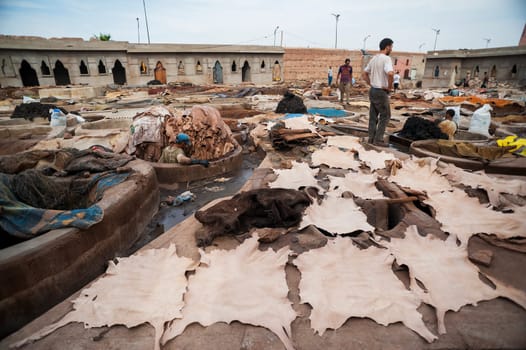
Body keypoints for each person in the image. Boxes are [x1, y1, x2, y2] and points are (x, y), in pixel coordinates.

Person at [362, 38, 395, 146]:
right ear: (387, 47)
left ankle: (371, 138)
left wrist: (371, 83)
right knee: (385, 116)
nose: (392, 49)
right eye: (391, 47)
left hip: (373, 90)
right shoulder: (386, 59)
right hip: (381, 91)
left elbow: (364, 74)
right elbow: (390, 74)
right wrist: (389, 87)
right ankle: (379, 140)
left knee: (373, 116)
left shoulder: (374, 59)